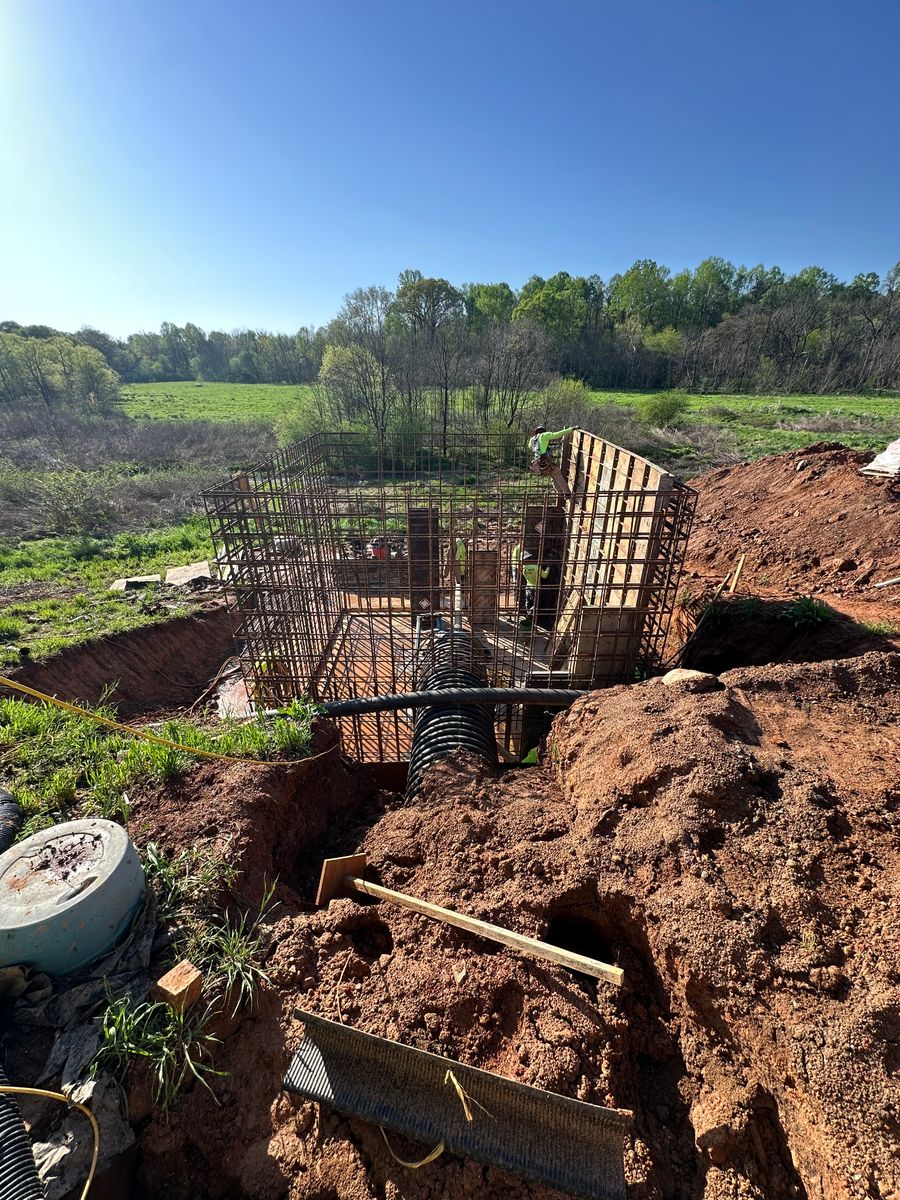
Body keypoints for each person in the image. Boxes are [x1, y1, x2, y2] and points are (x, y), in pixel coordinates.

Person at [529, 426, 575, 498]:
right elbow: (556, 434)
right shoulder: (544, 435)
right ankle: (567, 494)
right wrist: (570, 430)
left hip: (539, 464)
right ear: (543, 431)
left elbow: (530, 447)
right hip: (546, 462)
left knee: (553, 476)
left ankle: (559, 493)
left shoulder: (532, 439)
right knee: (557, 474)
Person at [517, 549, 549, 629]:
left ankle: (529, 619)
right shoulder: (536, 567)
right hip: (536, 588)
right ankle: (530, 617)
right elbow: (544, 576)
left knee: (529, 603)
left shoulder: (523, 569)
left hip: (528, 588)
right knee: (536, 604)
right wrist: (548, 567)